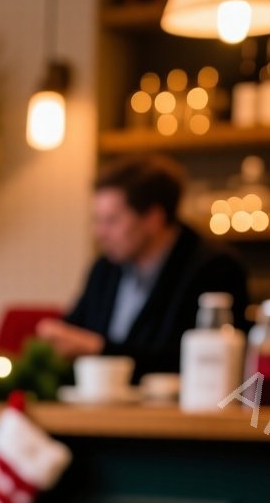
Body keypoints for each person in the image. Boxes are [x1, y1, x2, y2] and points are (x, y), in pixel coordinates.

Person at [37, 155, 248, 380]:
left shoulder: (215, 269)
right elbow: (75, 329)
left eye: (111, 221)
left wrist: (98, 349)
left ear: (153, 219)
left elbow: (187, 362)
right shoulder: (105, 268)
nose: (99, 233)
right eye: (97, 220)